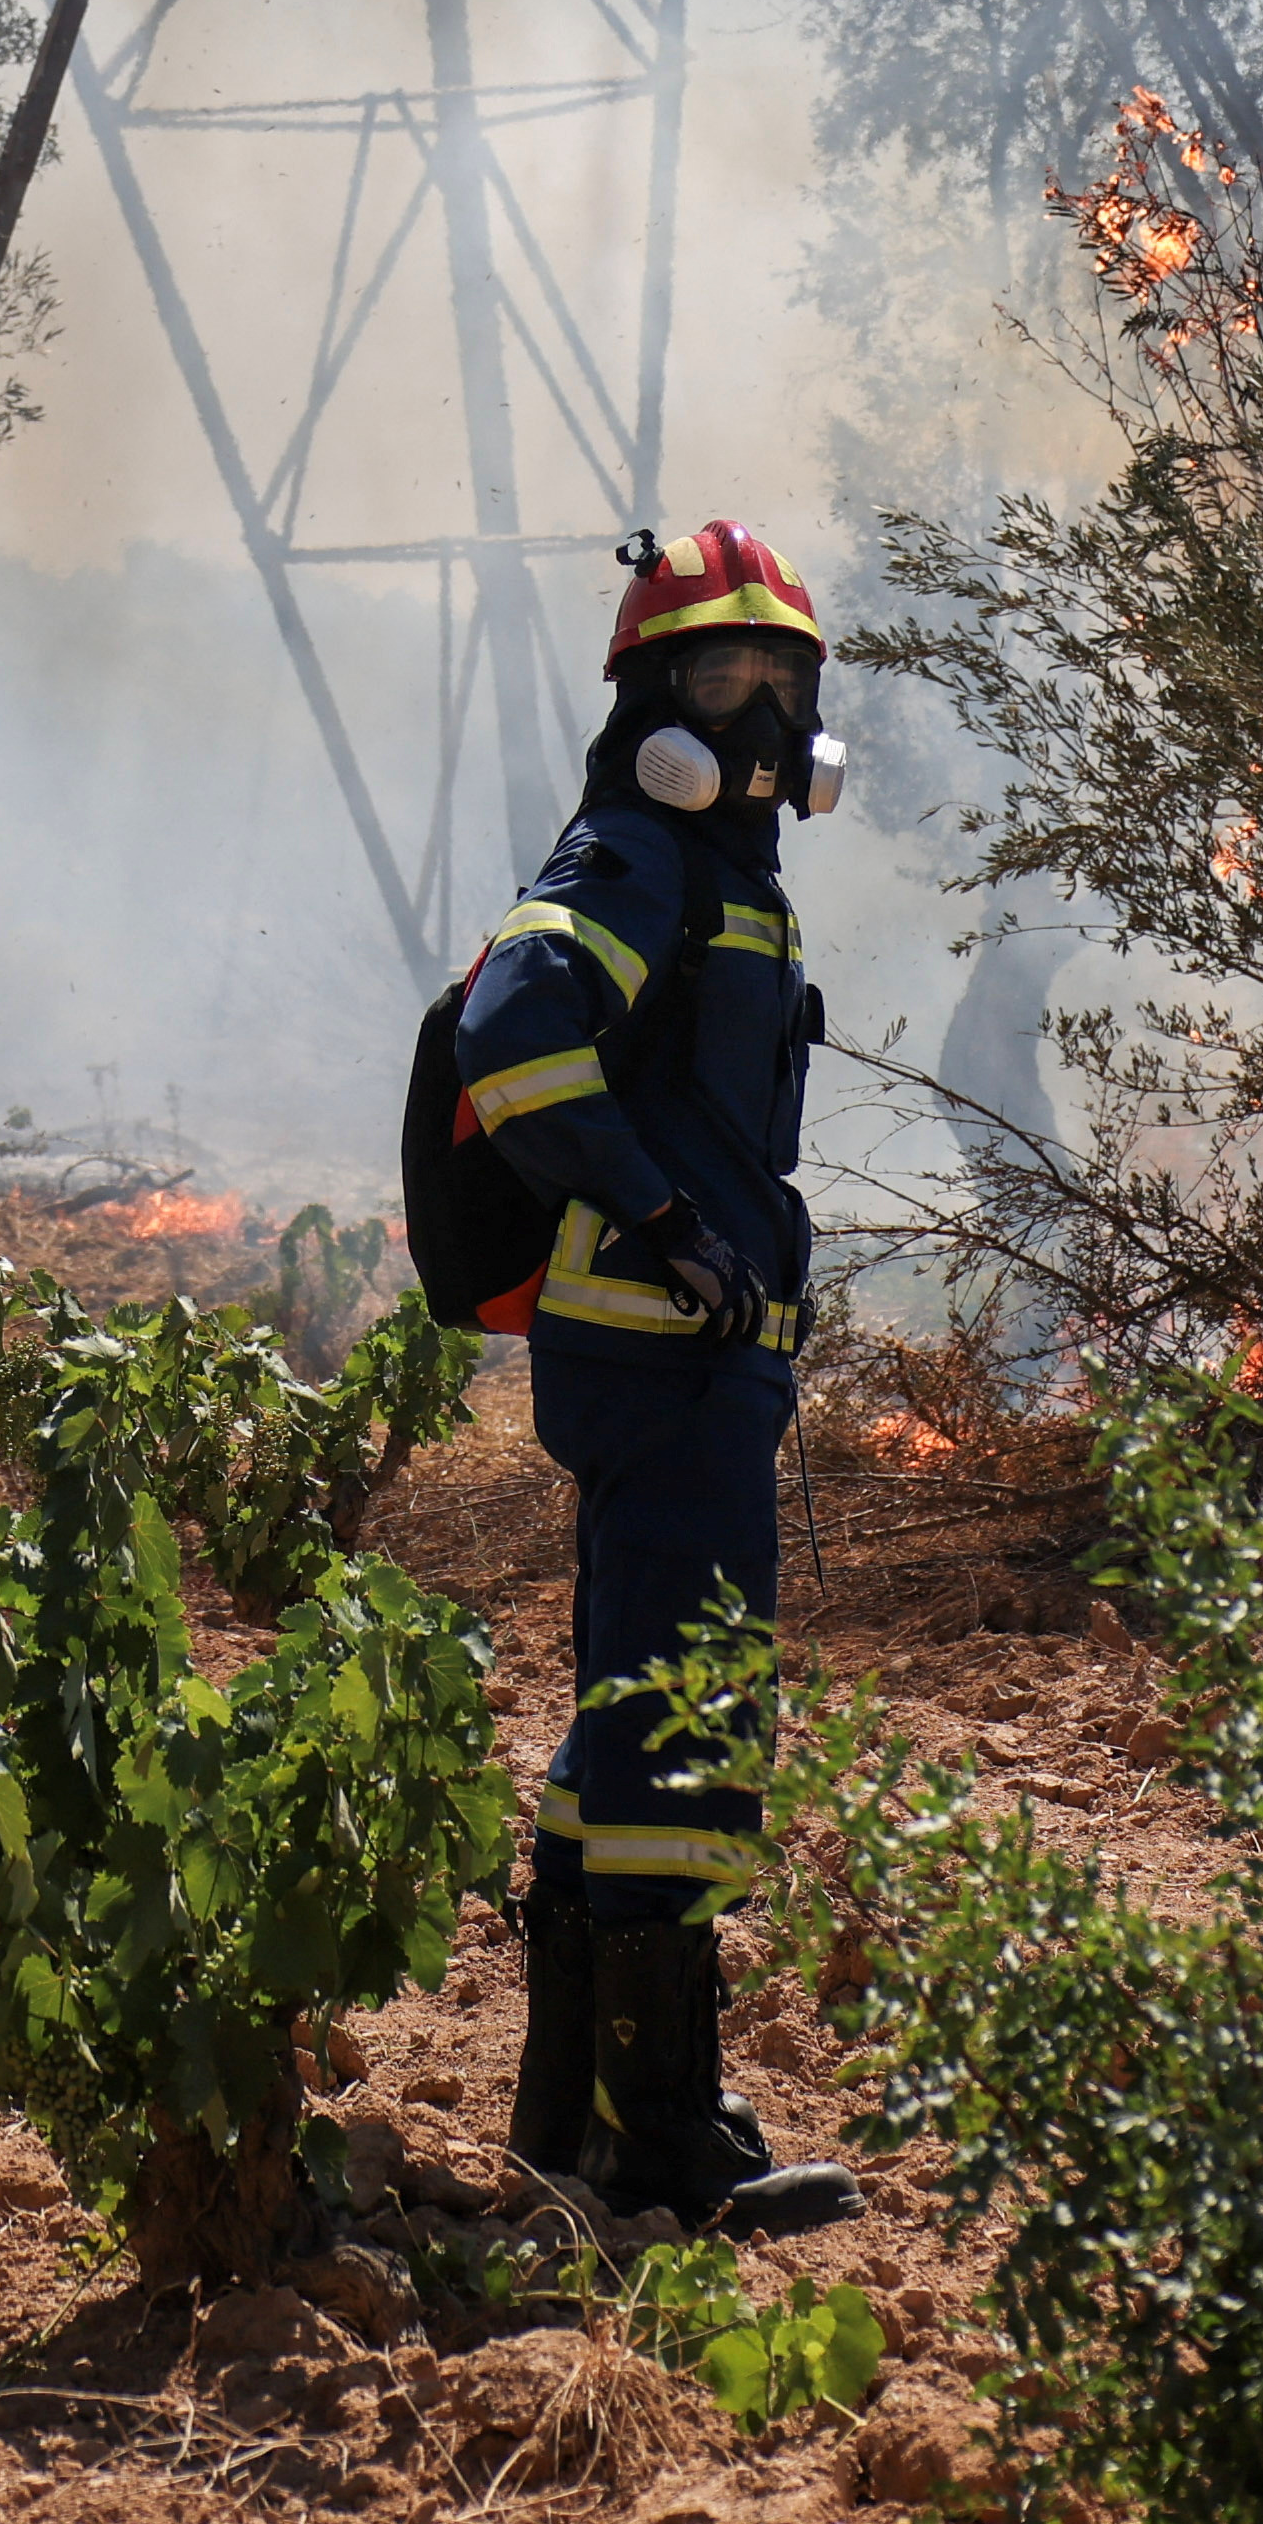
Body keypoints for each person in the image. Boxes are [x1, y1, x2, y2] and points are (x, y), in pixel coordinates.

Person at [454, 521, 864, 2234]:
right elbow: (509, 1031)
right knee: (690, 1719)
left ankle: (573, 2122)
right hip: (658, 1352)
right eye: (720, 682)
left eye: (783, 683)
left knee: (632, 1710)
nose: (759, 724)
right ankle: (662, 2137)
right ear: (646, 702)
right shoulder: (632, 856)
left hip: (689, 1358)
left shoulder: (720, 875)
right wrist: (662, 1216)